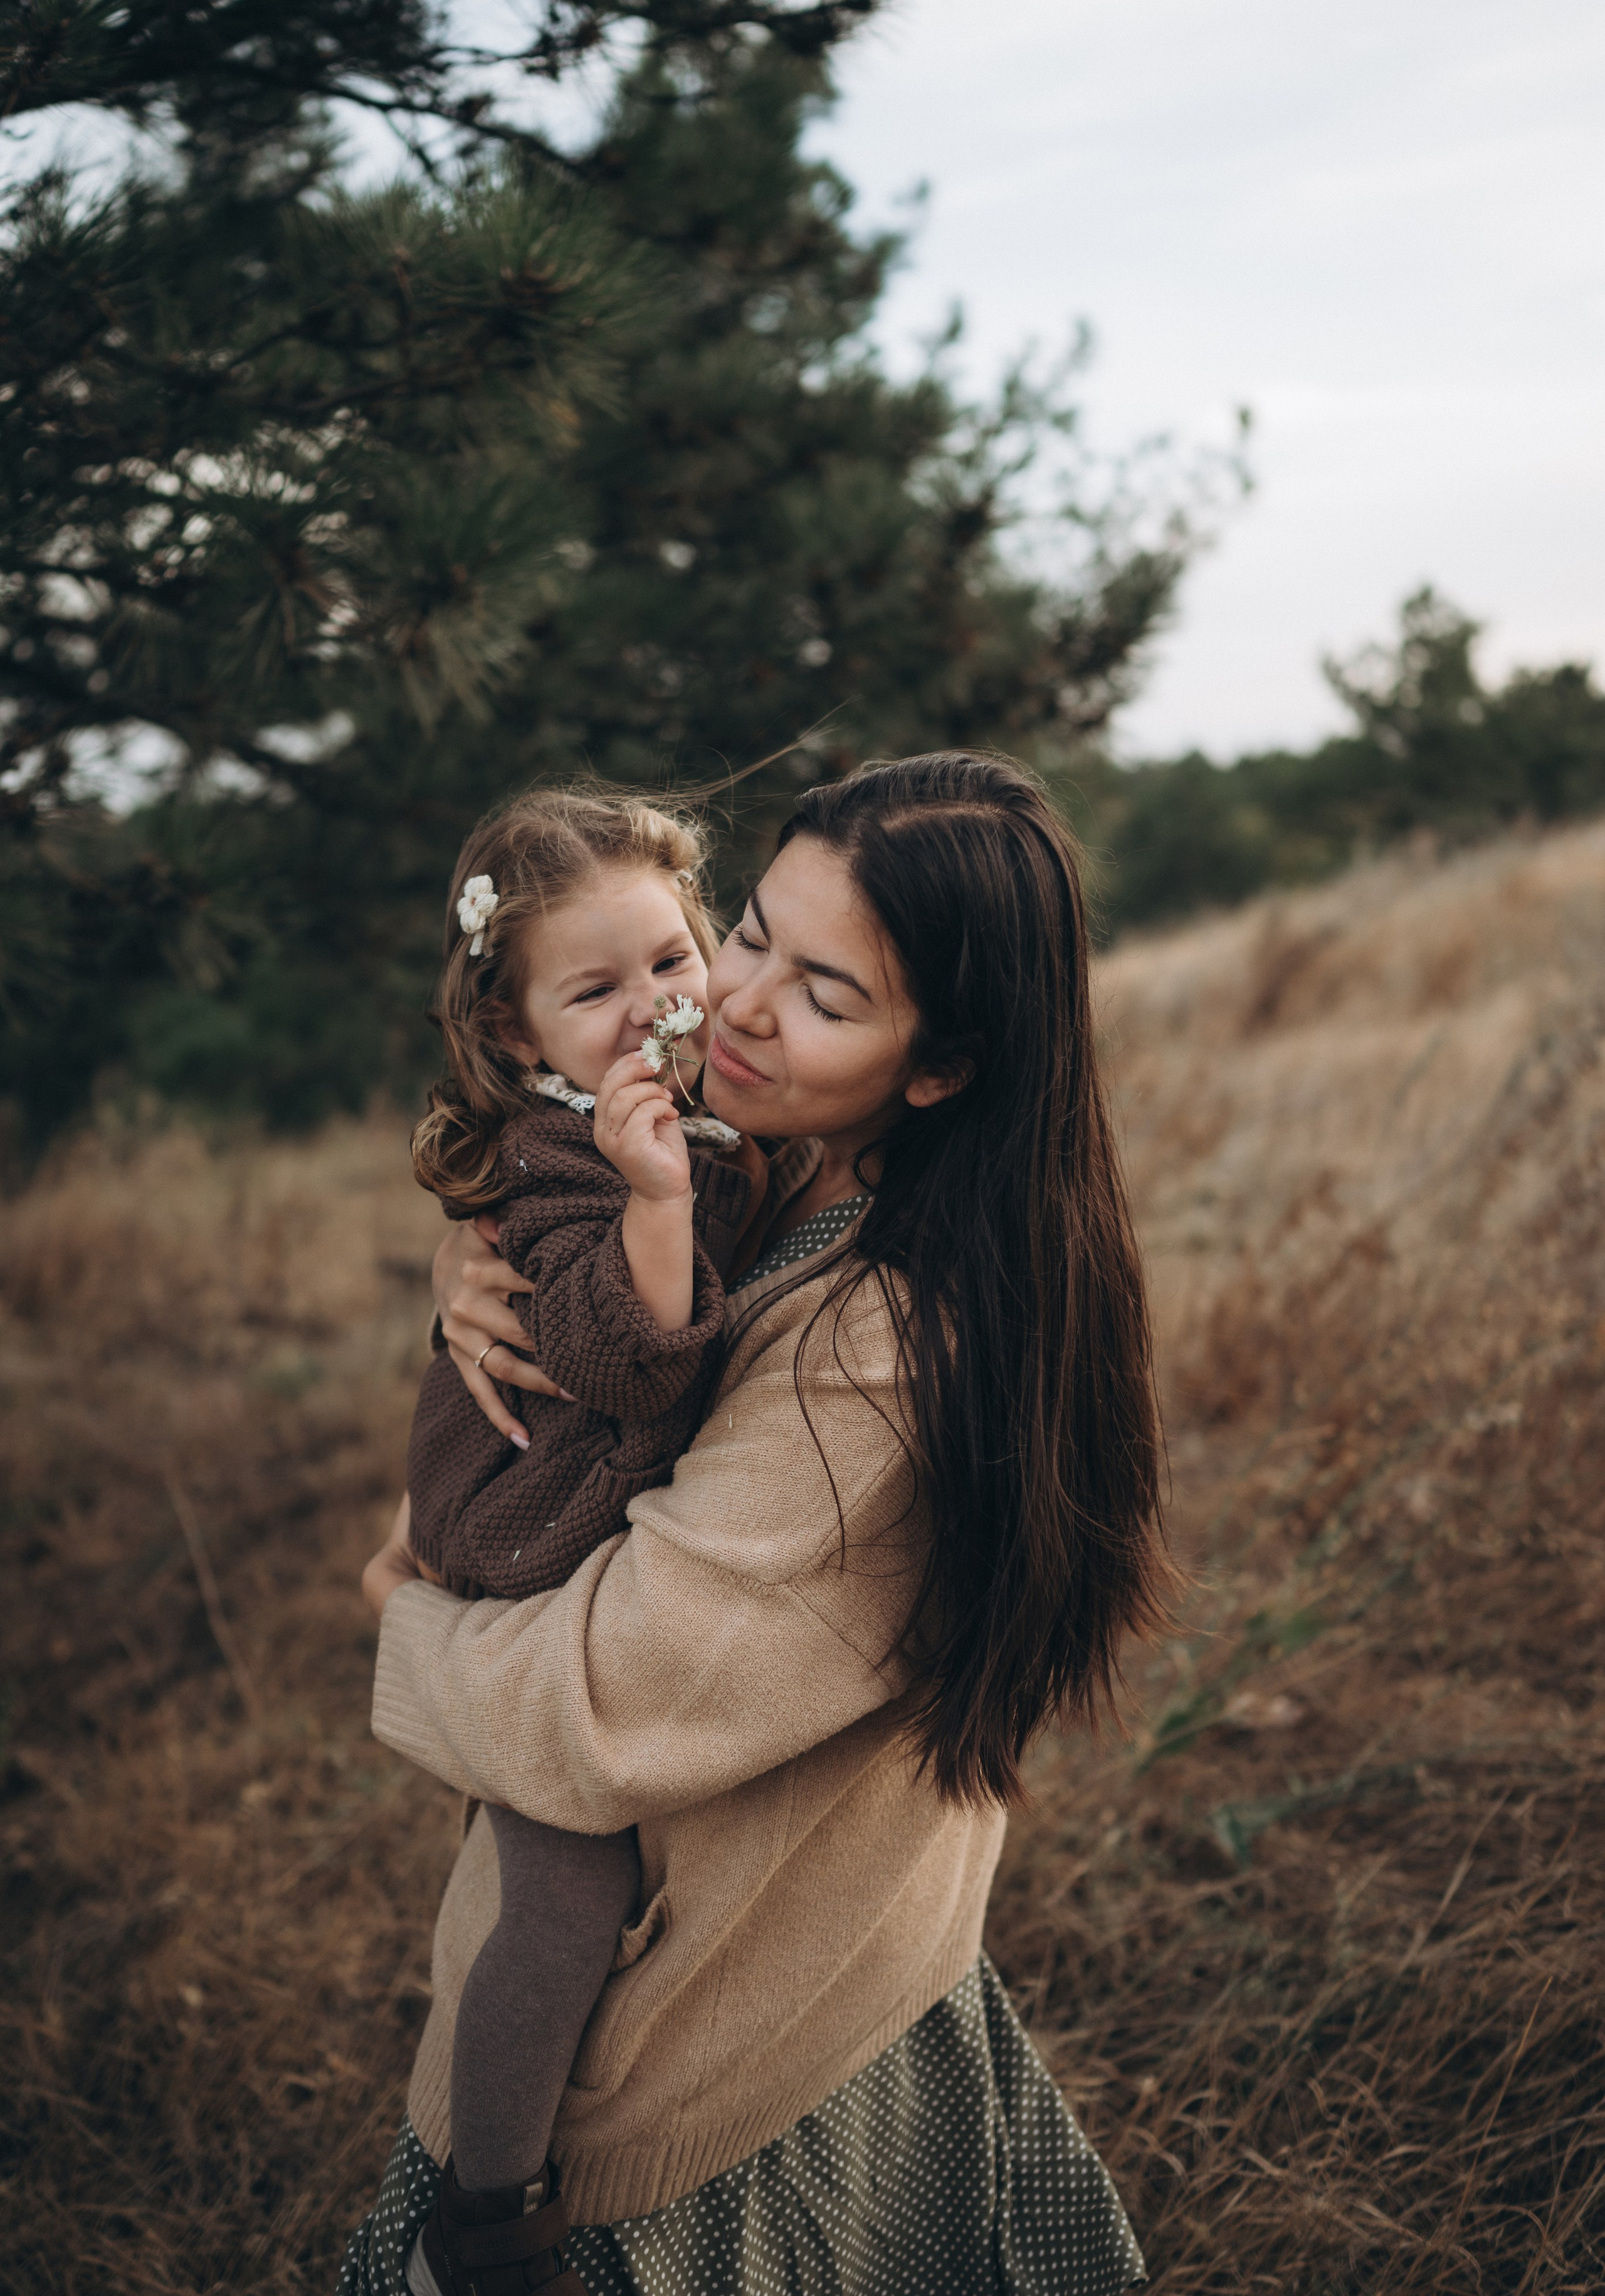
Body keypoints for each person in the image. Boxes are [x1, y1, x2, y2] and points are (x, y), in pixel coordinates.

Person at [344, 751, 1170, 2296]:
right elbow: (570, 1289)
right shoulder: (772, 1163)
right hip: (758, 1974)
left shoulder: (880, 1352)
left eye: (827, 995)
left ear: (940, 1066)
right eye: (748, 937)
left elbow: (599, 1710)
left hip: (697, 2065)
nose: (731, 1004)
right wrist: (471, 1290)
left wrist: (404, 1612)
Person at [399, 787, 769, 2293]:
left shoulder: (689, 1111)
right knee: (565, 1893)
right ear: (511, 1036)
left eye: (672, 962)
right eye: (594, 990)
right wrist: (658, 1197)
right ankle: (484, 2216)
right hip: (529, 1541)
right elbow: (620, 1365)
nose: (651, 1011)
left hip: (568, 1518)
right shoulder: (565, 1169)